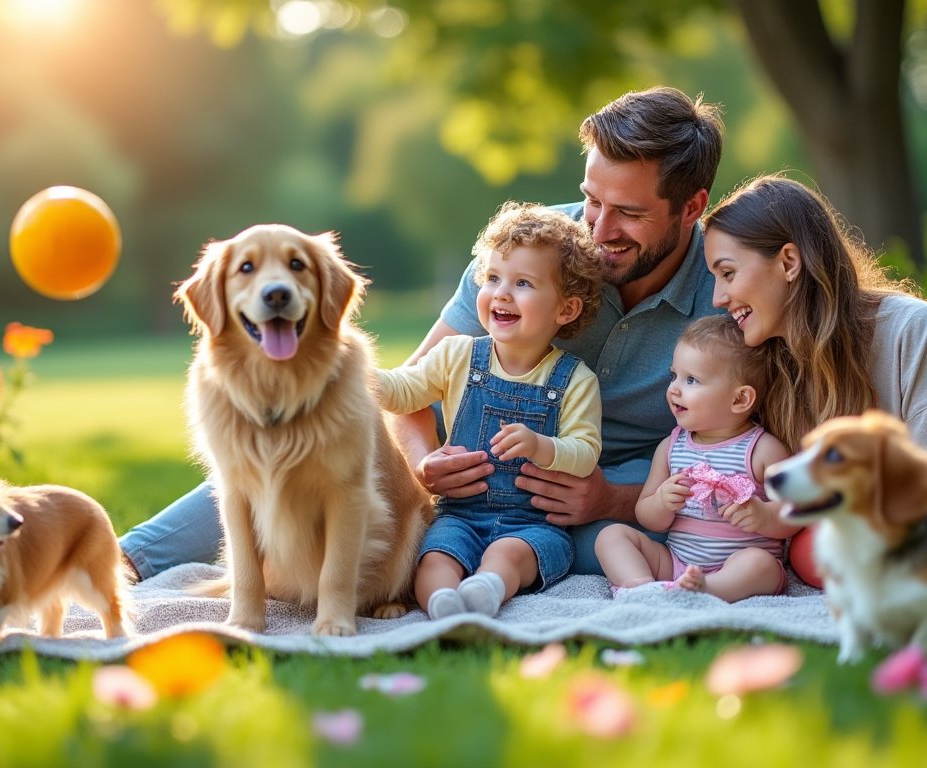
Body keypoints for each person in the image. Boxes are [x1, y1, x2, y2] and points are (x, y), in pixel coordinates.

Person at [118, 86, 727, 581]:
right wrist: (422, 464)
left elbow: (742, 445)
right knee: (287, 452)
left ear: (692, 206)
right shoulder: (528, 252)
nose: (599, 228)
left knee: (622, 548)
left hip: (623, 503)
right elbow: (412, 391)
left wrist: (610, 501)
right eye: (592, 200)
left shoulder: (725, 286)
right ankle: (128, 558)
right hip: (472, 488)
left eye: (630, 213)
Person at [701, 175, 927, 594]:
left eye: (727, 273)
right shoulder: (765, 358)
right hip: (844, 528)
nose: (718, 297)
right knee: (811, 547)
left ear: (788, 262)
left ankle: (897, 591)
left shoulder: (913, 328)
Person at [374, 202, 603, 618]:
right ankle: (443, 605)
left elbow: (585, 452)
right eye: (493, 278)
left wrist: (543, 446)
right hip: (460, 514)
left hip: (534, 525)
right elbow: (405, 391)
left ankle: (487, 589)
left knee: (509, 554)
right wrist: (365, 377)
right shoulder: (457, 355)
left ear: (565, 309)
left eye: (523, 283)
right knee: (435, 557)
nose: (501, 292)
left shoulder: (575, 380)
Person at [595, 315, 795, 601]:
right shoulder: (671, 447)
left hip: (736, 565)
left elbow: (797, 514)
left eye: (691, 380)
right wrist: (662, 502)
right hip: (676, 563)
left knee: (760, 564)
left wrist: (763, 516)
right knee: (612, 536)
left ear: (739, 400)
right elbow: (647, 516)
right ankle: (641, 589)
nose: (674, 388)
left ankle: (708, 591)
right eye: (673, 375)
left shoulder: (763, 450)